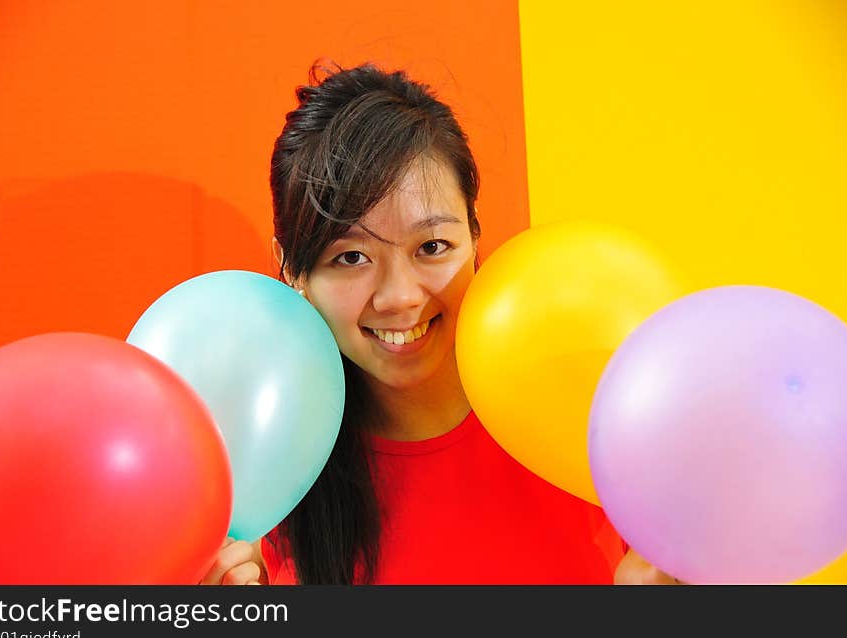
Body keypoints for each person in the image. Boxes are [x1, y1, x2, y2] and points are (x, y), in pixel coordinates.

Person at [201, 61, 680, 586]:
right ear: (293, 269)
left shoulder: (594, 411)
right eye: (350, 257)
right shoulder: (258, 482)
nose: (401, 297)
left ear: (475, 235)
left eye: (431, 247)